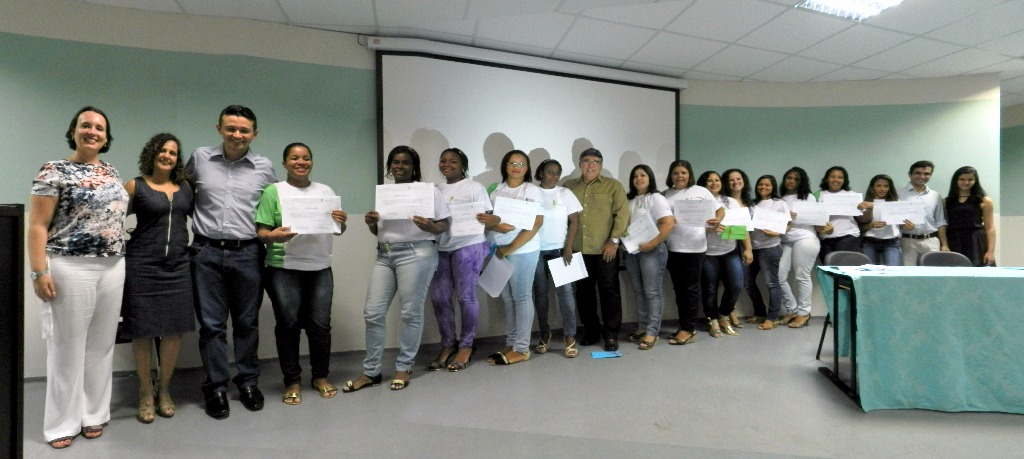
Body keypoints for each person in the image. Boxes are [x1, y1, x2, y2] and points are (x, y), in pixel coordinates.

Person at [29, 107, 128, 449]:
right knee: (67, 347)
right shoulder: (54, 171)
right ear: (73, 131)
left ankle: (93, 414)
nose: (93, 131)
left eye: (100, 127)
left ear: (106, 136)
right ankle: (61, 424)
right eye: (86, 125)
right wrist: (39, 271)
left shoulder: (112, 171)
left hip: (113, 266)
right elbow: (37, 225)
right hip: (70, 266)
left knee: (101, 347)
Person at [186, 105, 277, 419]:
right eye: (231, 128)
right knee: (211, 326)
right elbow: (180, 196)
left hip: (248, 253)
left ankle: (249, 382)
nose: (237, 135)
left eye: (244, 130)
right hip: (205, 253)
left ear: (254, 133)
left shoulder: (264, 168)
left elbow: (274, 209)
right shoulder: (199, 159)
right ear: (219, 128)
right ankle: (216, 387)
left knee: (246, 323)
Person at [343, 146, 449, 393]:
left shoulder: (428, 191)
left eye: (405, 163)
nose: (399, 166)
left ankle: (404, 367)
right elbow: (381, 230)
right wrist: (372, 224)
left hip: (417, 253)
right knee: (372, 313)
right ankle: (371, 372)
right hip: (385, 253)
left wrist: (430, 227)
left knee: (410, 313)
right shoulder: (385, 193)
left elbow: (444, 224)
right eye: (395, 162)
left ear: (414, 167)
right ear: (390, 166)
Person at [255, 143, 347, 405]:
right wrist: (272, 236)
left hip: (320, 268)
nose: (301, 162)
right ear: (284, 163)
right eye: (294, 158)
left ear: (312, 162)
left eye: (306, 158)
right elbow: (262, 232)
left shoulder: (325, 191)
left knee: (320, 326)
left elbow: (338, 230)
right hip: (283, 269)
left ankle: (320, 376)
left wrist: (342, 222)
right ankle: (292, 380)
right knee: (288, 325)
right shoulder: (274, 191)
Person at [121, 133, 195, 424]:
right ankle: (144, 392)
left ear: (178, 159)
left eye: (173, 152)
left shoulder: (186, 188)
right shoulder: (135, 185)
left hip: (178, 266)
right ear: (152, 153)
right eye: (162, 150)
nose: (167, 155)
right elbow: (111, 222)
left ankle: (164, 390)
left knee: (174, 331)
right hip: (141, 265)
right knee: (142, 331)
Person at [427, 148, 491, 371]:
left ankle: (466, 345)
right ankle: (448, 343)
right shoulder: (435, 189)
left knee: (466, 297)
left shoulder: (475, 187)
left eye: (453, 161)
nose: (447, 164)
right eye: (443, 160)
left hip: (469, 246)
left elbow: (488, 217)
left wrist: (487, 218)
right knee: (439, 297)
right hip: (442, 248)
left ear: (463, 165)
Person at [479, 150, 544, 365]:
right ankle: (512, 341)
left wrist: (511, 247)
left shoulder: (532, 190)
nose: (516, 166)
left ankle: (522, 348)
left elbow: (536, 223)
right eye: (512, 162)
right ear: (505, 166)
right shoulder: (496, 191)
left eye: (522, 163)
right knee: (507, 298)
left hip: (523, 251)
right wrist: (497, 227)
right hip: (498, 250)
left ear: (527, 169)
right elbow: (488, 221)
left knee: (522, 297)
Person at [564, 148, 630, 351]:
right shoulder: (568, 187)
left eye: (596, 161)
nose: (591, 165)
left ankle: (611, 335)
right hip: (577, 251)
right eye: (586, 161)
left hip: (605, 250)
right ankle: (591, 331)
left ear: (601, 165)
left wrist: (614, 240)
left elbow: (622, 214)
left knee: (609, 293)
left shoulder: (613, 186)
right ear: (579, 164)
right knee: (584, 294)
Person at [663, 160, 723, 345]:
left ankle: (688, 329)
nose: (679, 176)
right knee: (679, 290)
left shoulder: (701, 191)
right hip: (673, 247)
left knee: (690, 289)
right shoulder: (666, 195)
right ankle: (685, 325)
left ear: (689, 174)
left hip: (695, 247)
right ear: (670, 176)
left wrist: (716, 219)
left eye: (683, 172)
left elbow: (719, 210)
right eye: (675, 173)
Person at [531, 159, 582, 358]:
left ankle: (570, 337)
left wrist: (568, 246)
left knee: (566, 295)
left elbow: (575, 221)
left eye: (557, 173)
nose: (553, 176)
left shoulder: (565, 193)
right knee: (541, 296)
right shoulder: (532, 192)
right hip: (536, 251)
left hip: (561, 250)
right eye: (549, 172)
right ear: (541, 173)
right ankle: (545, 335)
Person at [624, 165, 674, 349]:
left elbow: (668, 223)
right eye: (635, 176)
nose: (639, 178)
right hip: (632, 252)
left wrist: (652, 244)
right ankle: (642, 326)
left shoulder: (656, 198)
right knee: (639, 291)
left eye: (643, 175)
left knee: (652, 292)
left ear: (650, 177)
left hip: (652, 251)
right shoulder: (628, 200)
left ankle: (652, 332)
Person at [697, 170, 750, 337]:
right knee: (709, 289)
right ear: (703, 184)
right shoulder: (698, 202)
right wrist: (708, 228)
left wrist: (748, 248)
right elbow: (689, 228)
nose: (714, 183)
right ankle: (712, 320)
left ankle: (724, 315)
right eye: (709, 181)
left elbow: (743, 228)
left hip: (730, 251)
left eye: (717, 180)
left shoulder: (731, 202)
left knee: (736, 285)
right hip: (707, 253)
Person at [777, 167, 820, 328]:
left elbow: (812, 219)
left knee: (802, 275)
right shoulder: (780, 198)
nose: (791, 181)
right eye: (789, 178)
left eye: (796, 179)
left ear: (802, 182)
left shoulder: (808, 197)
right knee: (779, 276)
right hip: (785, 240)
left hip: (805, 238)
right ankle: (792, 309)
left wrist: (794, 217)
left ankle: (804, 313)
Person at [748, 175, 789, 330]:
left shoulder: (779, 203)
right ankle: (759, 312)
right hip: (752, 248)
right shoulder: (752, 203)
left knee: (772, 282)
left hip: (770, 247)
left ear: (773, 187)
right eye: (760, 184)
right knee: (748, 282)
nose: (763, 187)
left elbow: (787, 225)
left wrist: (777, 232)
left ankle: (772, 317)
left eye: (767, 185)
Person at [896, 161, 949, 265]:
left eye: (926, 174)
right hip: (907, 241)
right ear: (909, 174)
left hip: (931, 241)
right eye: (918, 173)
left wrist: (944, 244)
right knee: (908, 276)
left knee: (933, 275)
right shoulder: (897, 193)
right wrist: (902, 226)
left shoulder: (935, 195)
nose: (922, 176)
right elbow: (892, 219)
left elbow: (940, 221)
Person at [944, 166, 996, 266]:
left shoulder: (984, 201)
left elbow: (990, 227)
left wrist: (990, 252)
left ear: (975, 181)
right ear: (956, 180)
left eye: (970, 179)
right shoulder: (946, 201)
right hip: (954, 241)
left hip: (976, 241)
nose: (966, 182)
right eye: (962, 179)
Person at [723, 169, 754, 326]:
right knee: (729, 282)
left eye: (739, 178)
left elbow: (748, 227)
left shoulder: (750, 202)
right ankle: (730, 313)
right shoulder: (724, 202)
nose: (735, 182)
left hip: (747, 244)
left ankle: (730, 312)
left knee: (740, 282)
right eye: (731, 180)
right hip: (730, 244)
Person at [858, 174, 910, 266]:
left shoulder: (897, 203)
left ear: (890, 188)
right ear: (872, 187)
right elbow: (859, 227)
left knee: (893, 271)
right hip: (869, 241)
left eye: (886, 186)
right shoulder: (864, 204)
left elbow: (903, 223)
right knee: (869, 272)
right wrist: (871, 226)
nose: (882, 189)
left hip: (892, 242)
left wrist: (909, 226)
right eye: (879, 186)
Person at [816, 166, 865, 262]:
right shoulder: (818, 195)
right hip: (826, 239)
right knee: (829, 271)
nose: (836, 180)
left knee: (846, 271)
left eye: (840, 177)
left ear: (844, 180)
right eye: (832, 176)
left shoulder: (852, 195)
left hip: (848, 236)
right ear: (826, 179)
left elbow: (863, 219)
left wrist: (864, 207)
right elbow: (814, 218)